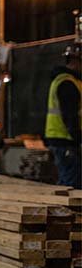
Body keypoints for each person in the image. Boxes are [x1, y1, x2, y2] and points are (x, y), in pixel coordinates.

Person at [44, 42, 81, 188]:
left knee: (70, 179)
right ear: (76, 61)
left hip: (63, 139)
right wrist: (78, 138)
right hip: (64, 139)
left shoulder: (71, 81)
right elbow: (70, 115)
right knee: (72, 183)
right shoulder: (67, 83)